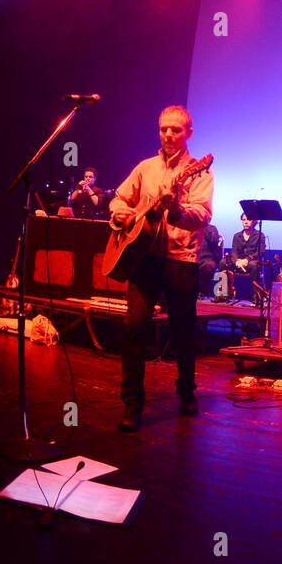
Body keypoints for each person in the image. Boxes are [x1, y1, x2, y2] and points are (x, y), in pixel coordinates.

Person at [110, 106, 214, 428]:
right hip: (144, 259)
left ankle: (186, 392)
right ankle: (132, 403)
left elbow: (202, 216)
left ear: (189, 134)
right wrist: (120, 215)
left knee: (182, 330)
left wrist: (176, 209)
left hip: (180, 259)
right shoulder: (145, 168)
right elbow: (119, 198)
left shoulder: (200, 172)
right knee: (133, 327)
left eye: (176, 130)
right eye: (163, 129)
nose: (168, 135)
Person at [221, 212, 265, 299]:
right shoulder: (237, 236)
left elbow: (260, 252)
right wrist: (237, 260)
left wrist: (247, 260)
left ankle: (256, 297)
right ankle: (222, 294)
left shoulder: (260, 235)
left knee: (254, 265)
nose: (245, 222)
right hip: (238, 262)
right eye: (244, 220)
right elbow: (234, 251)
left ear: (254, 222)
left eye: (248, 220)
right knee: (223, 262)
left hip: (250, 262)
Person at [198, 222, 223, 298]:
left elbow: (213, 240)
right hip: (193, 256)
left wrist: (204, 227)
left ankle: (202, 292)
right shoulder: (191, 226)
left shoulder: (211, 228)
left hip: (207, 258)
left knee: (208, 268)